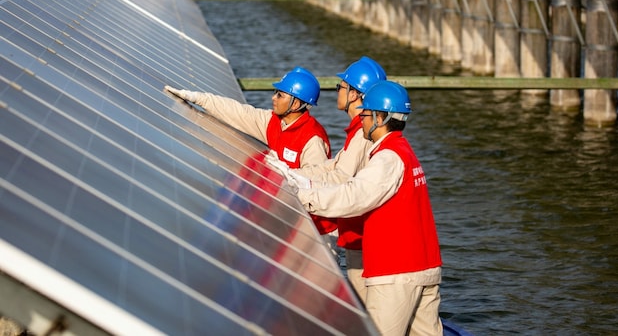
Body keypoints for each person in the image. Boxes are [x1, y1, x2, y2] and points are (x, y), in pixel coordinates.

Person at [295, 80, 443, 336]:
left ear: (380, 117)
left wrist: (303, 197)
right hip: (424, 266)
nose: (361, 119)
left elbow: (354, 197)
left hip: (395, 271)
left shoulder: (387, 158)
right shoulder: (404, 151)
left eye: (365, 114)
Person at [268, 56, 386, 304]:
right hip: (358, 234)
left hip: (363, 236)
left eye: (341, 87)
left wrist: (297, 185)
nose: (337, 91)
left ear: (355, 94)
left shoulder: (362, 135)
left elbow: (338, 176)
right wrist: (292, 174)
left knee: (369, 310)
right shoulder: (361, 131)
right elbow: (332, 166)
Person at [164, 66, 336, 234]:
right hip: (291, 217)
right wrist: (198, 98)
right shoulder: (274, 122)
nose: (273, 98)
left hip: (318, 229)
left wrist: (287, 173)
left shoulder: (312, 139)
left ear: (296, 103)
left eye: (280, 95)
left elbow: (318, 183)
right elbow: (238, 112)